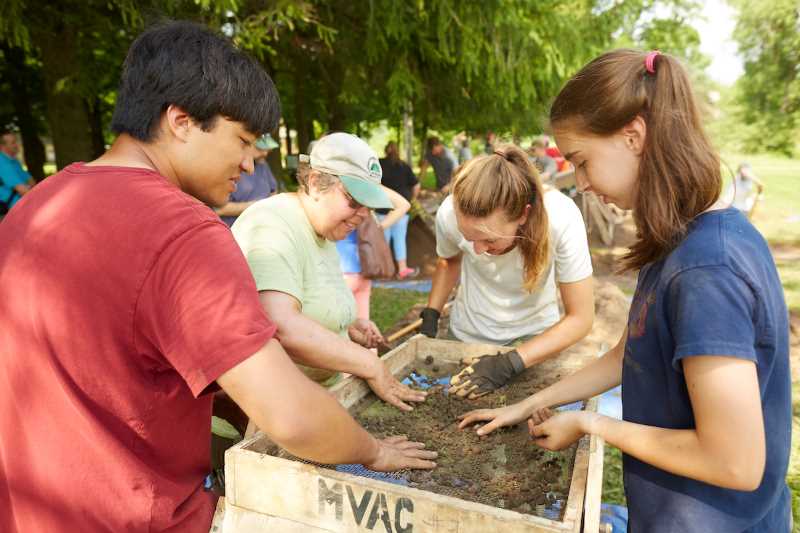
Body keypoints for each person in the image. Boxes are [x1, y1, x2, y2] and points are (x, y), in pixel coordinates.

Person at [0, 22, 435, 533]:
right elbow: (290, 417)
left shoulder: (35, 208)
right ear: (181, 121)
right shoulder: (186, 232)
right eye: (243, 140)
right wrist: (374, 450)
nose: (250, 164)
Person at [459, 50, 791, 532]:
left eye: (582, 160)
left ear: (633, 136)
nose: (581, 182)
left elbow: (735, 462)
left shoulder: (707, 269)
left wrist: (593, 425)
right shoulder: (679, 241)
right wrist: (527, 404)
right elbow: (626, 355)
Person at [232, 132, 426, 410]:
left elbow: (313, 307)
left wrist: (347, 328)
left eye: (368, 207)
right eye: (354, 201)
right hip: (266, 411)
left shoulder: (324, 233)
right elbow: (282, 326)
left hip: (316, 402)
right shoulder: (272, 223)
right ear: (314, 183)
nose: (362, 215)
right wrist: (369, 363)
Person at [419, 144, 594, 399]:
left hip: (534, 339)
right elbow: (450, 261)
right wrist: (431, 315)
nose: (477, 250)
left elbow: (580, 318)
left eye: (489, 240)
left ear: (523, 215)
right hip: (466, 333)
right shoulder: (448, 212)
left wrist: (510, 363)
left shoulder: (561, 218)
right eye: (469, 238)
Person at [377, 140, 420, 279]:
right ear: (397, 151)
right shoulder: (404, 166)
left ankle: (383, 270)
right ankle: (402, 269)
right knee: (400, 239)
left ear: (385, 150)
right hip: (401, 209)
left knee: (383, 240)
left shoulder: (378, 164)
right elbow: (416, 185)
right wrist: (412, 199)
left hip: (382, 209)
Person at [216, 133, 280, 226]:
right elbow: (219, 209)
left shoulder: (262, 164)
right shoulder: (229, 167)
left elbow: (273, 190)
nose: (265, 153)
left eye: (267, 149)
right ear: (246, 145)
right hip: (237, 230)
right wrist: (256, 207)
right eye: (260, 148)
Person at [0, 130, 36, 213]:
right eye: (13, 143)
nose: (17, 145)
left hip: (20, 208)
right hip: (7, 213)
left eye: (16, 141)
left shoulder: (14, 161)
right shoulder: (2, 162)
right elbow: (22, 190)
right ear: (2, 146)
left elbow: (31, 181)